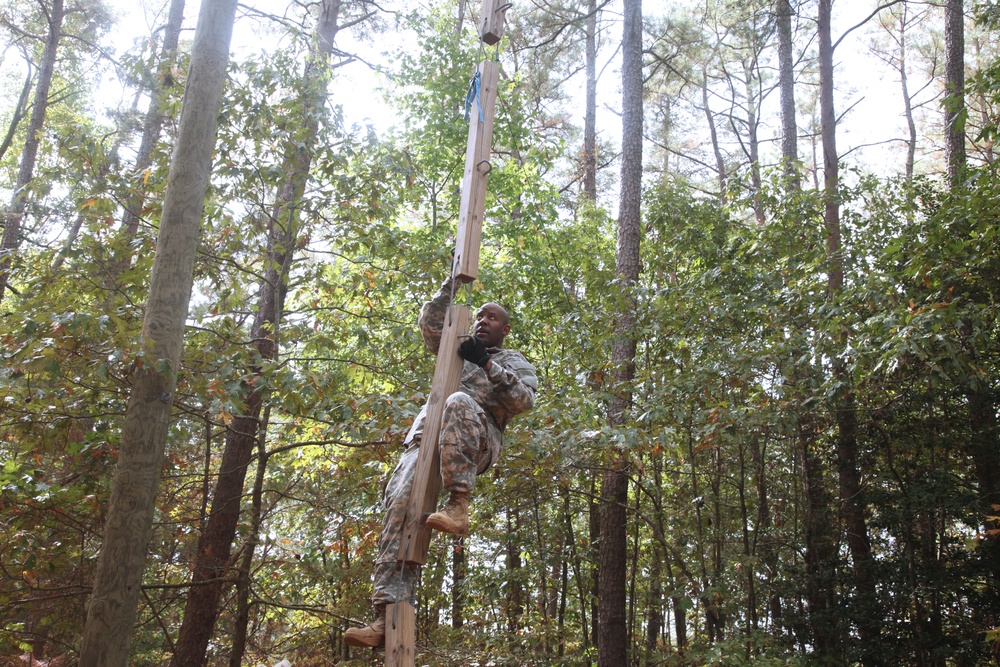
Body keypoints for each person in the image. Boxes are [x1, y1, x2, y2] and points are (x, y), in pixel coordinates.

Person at [344, 276, 538, 648]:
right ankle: (386, 615)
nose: (482, 320)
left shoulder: (512, 361)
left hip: (474, 439)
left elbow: (524, 402)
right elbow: (432, 323)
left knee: (458, 401)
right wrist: (452, 284)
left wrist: (487, 365)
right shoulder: (456, 349)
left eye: (492, 317)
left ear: (506, 329)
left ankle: (459, 505)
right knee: (399, 512)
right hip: (425, 440)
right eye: (479, 315)